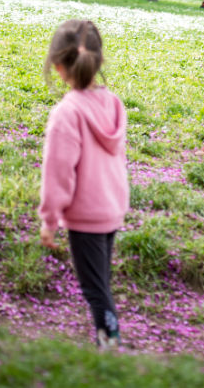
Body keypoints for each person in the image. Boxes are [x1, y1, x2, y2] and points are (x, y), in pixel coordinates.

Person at [38, 19, 129, 350]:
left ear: (58, 67)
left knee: (94, 288)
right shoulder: (113, 103)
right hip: (111, 208)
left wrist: (49, 221)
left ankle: (111, 342)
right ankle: (106, 339)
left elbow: (57, 173)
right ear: (99, 60)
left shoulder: (67, 112)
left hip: (86, 215)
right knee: (101, 280)